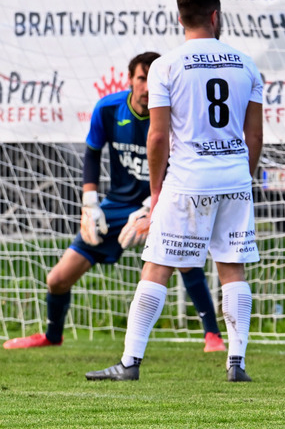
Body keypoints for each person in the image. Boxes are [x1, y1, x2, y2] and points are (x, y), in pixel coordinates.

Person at [85, 0, 263, 382]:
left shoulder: (166, 65)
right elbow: (255, 136)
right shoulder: (246, 64)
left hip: (187, 180)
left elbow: (158, 136)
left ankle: (130, 363)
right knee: (232, 268)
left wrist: (156, 191)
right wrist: (241, 177)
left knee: (157, 267)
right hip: (235, 177)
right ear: (216, 16)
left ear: (180, 18)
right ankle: (237, 363)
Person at [3, 52, 226, 353]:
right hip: (116, 207)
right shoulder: (108, 109)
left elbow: (186, 166)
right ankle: (52, 335)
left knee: (184, 260)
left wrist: (150, 208)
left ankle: (212, 336)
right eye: (141, 79)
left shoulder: (177, 116)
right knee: (57, 279)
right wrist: (90, 204)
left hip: (163, 203)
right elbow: (92, 153)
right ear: (130, 80)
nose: (147, 87)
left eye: (153, 79)